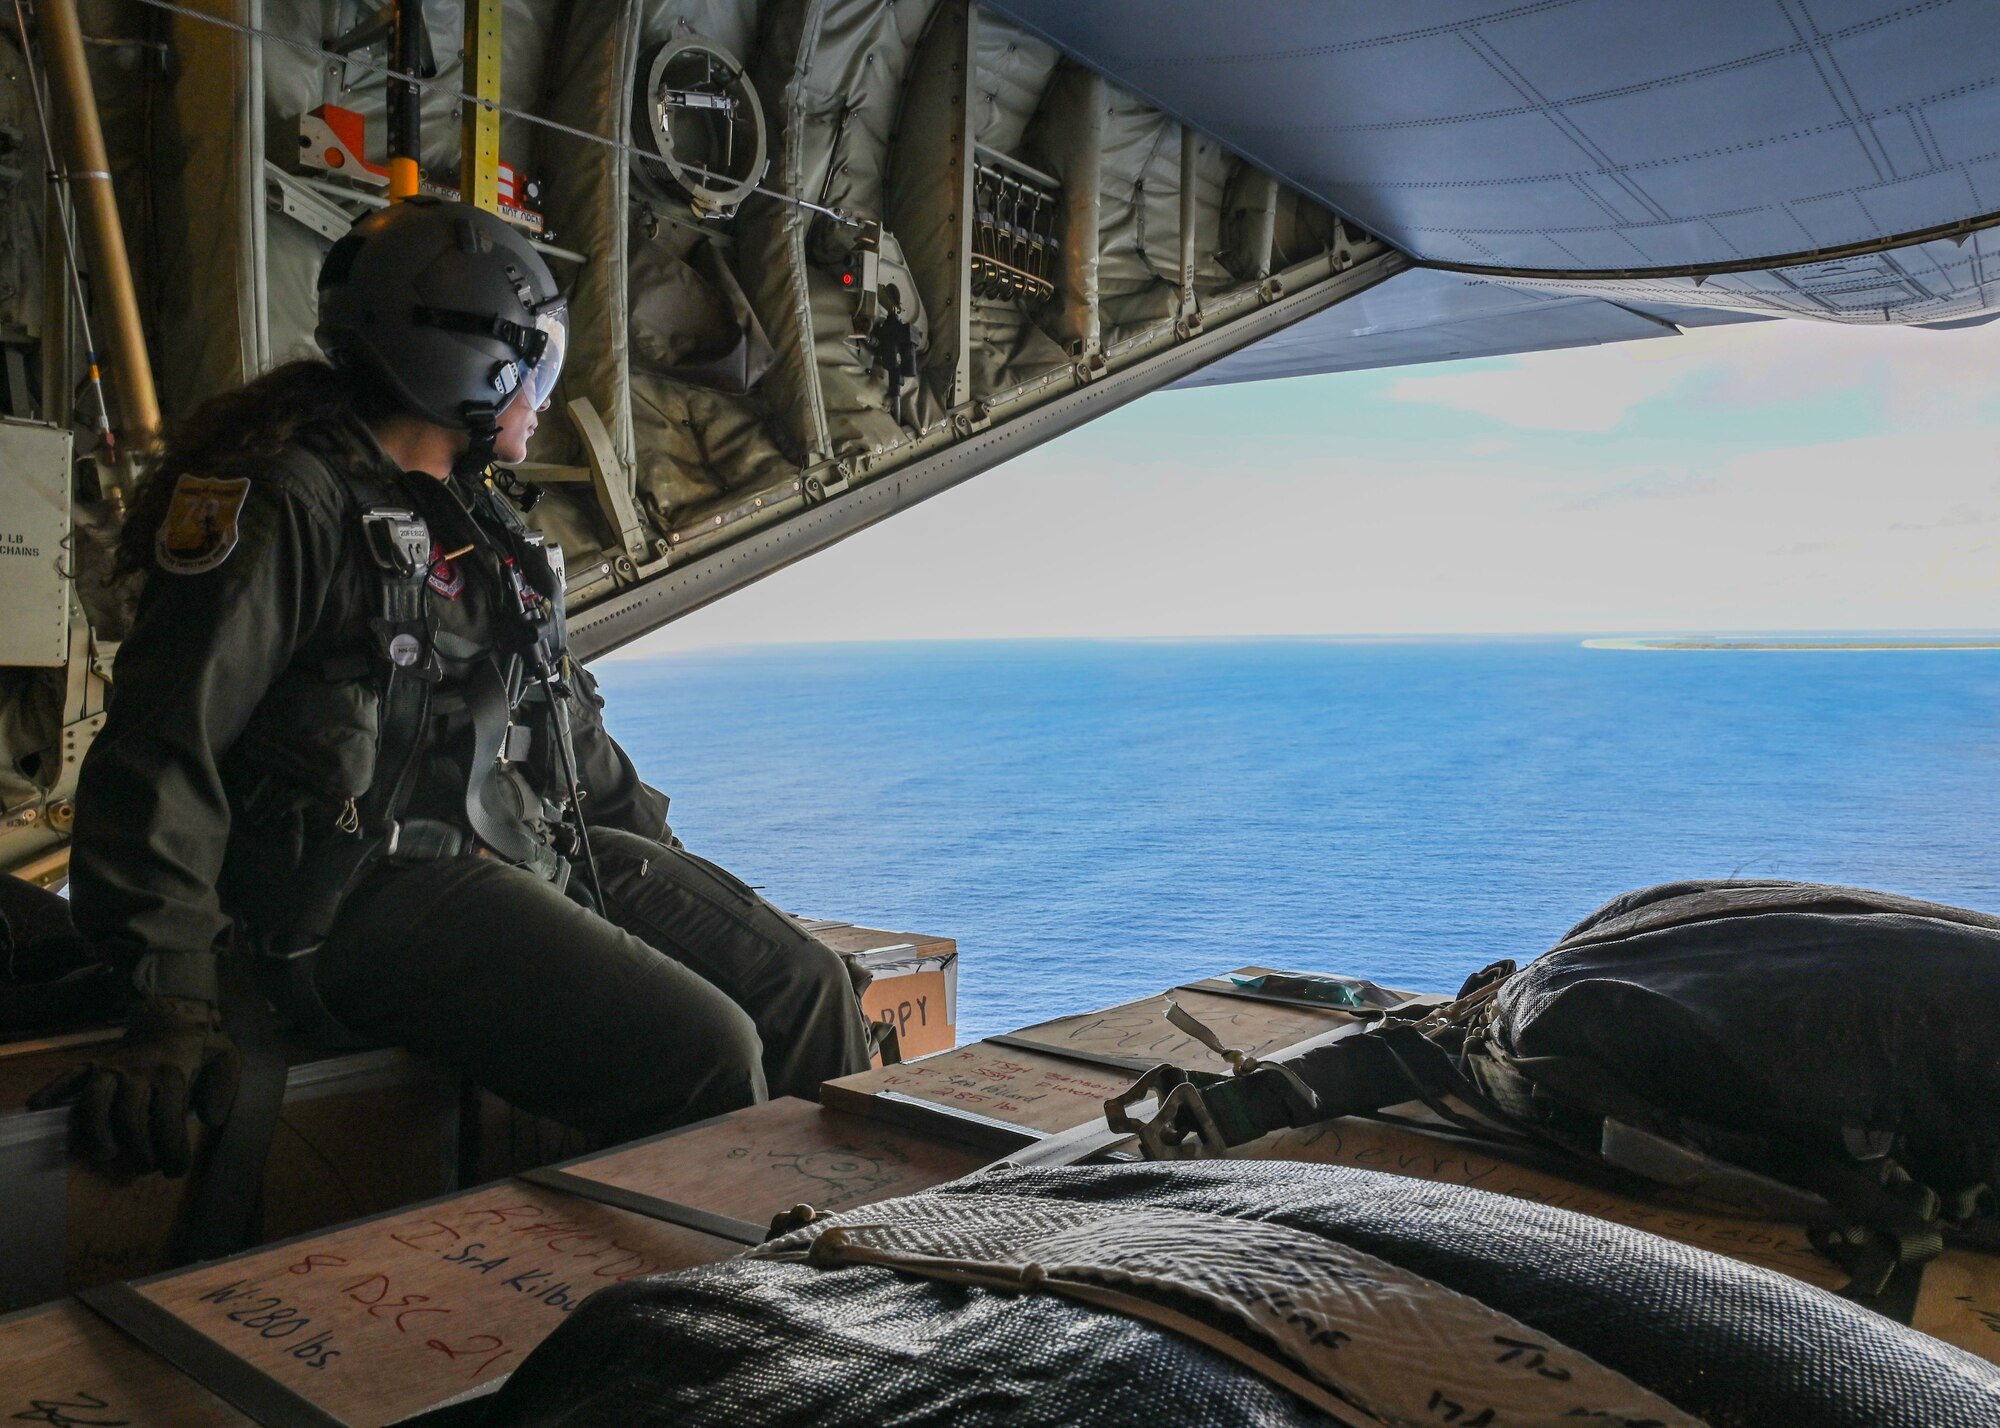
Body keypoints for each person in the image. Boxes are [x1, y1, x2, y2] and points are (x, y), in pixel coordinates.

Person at [34, 197, 872, 1177]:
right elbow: (160, 748)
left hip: (510, 852)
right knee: (704, 1055)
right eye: (535, 364)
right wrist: (171, 999)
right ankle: (702, 1319)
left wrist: (691, 896)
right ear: (462, 361)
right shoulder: (283, 504)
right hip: (354, 896)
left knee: (808, 987)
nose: (544, 394)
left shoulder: (478, 524)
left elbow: (566, 733)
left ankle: (848, 1276)